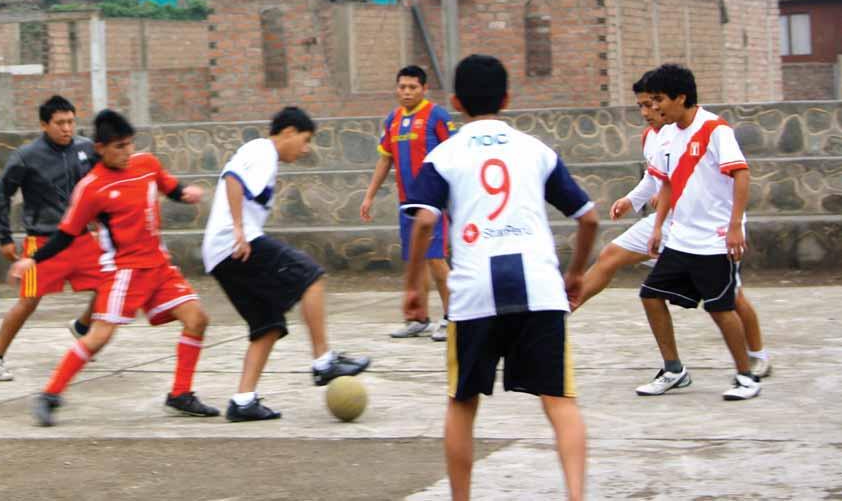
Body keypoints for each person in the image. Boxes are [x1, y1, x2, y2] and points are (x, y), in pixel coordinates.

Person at [402, 55, 598, 501]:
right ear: (507, 98)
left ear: (454, 102)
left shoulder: (443, 155)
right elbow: (588, 218)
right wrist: (576, 273)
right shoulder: (537, 151)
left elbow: (426, 223)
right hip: (539, 286)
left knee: (462, 402)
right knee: (561, 401)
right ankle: (575, 495)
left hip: (474, 293)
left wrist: (412, 287)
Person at [9, 109, 217, 425]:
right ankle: (50, 394)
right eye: (118, 147)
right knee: (99, 337)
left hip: (159, 267)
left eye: (129, 144)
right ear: (99, 149)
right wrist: (32, 259)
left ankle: (180, 394)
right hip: (124, 272)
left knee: (197, 319)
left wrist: (185, 194)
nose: (126, 152)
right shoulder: (92, 188)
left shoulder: (147, 165)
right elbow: (65, 235)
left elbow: (170, 187)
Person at [573, 74, 772, 380]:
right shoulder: (655, 136)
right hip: (670, 223)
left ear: (672, 99)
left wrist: (734, 225)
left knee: (730, 299)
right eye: (642, 104)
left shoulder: (709, 129)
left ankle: (756, 357)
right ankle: (560, 314)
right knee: (613, 259)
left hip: (709, 229)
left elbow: (735, 175)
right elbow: (658, 179)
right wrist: (632, 200)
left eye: (652, 103)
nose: (647, 111)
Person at [202, 106, 370, 422]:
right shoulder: (264, 152)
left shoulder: (259, 153)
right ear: (289, 132)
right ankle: (324, 362)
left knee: (268, 326)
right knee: (312, 277)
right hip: (235, 244)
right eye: (305, 141)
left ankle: (243, 401)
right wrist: (238, 227)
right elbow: (233, 181)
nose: (306, 149)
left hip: (220, 252)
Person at [638, 64, 761, 401]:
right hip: (681, 238)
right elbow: (666, 185)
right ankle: (674, 369)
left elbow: (742, 175)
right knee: (650, 295)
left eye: (660, 99)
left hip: (714, 240)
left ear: (681, 97)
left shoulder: (715, 129)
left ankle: (746, 376)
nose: (655, 107)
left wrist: (735, 226)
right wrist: (659, 227)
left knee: (721, 309)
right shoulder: (667, 135)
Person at [0, 96, 101, 382]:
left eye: (71, 122)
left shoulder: (86, 148)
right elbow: (1, 198)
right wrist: (4, 237)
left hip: (82, 239)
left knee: (112, 285)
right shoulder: (26, 156)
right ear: (44, 125)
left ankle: (83, 326)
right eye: (60, 123)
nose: (67, 128)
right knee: (28, 302)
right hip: (43, 243)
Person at [361, 65, 456, 341]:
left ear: (424, 89)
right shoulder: (393, 119)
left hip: (433, 202)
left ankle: (453, 317)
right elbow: (385, 159)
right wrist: (369, 194)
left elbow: (455, 152)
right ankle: (419, 318)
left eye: (412, 87)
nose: (406, 92)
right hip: (407, 202)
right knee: (416, 263)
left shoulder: (436, 116)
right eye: (402, 87)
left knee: (436, 259)